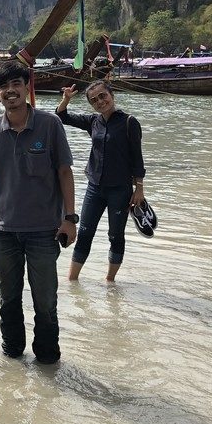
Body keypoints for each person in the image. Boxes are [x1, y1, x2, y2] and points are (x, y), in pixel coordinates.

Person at [0, 60, 77, 364]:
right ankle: (12, 355)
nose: (10, 91)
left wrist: (70, 219)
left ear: (26, 87)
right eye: (4, 87)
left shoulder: (49, 124)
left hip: (44, 231)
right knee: (8, 297)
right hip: (5, 232)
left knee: (45, 299)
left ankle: (47, 360)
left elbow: (64, 172)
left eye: (16, 84)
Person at [55, 80, 146, 282]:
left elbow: (137, 159)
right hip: (94, 188)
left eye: (103, 96)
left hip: (120, 189)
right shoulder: (93, 122)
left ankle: (110, 282)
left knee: (115, 235)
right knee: (85, 233)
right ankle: (72, 281)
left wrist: (139, 188)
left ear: (111, 95)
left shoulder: (130, 122)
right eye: (94, 100)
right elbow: (61, 116)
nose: (100, 102)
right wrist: (66, 99)